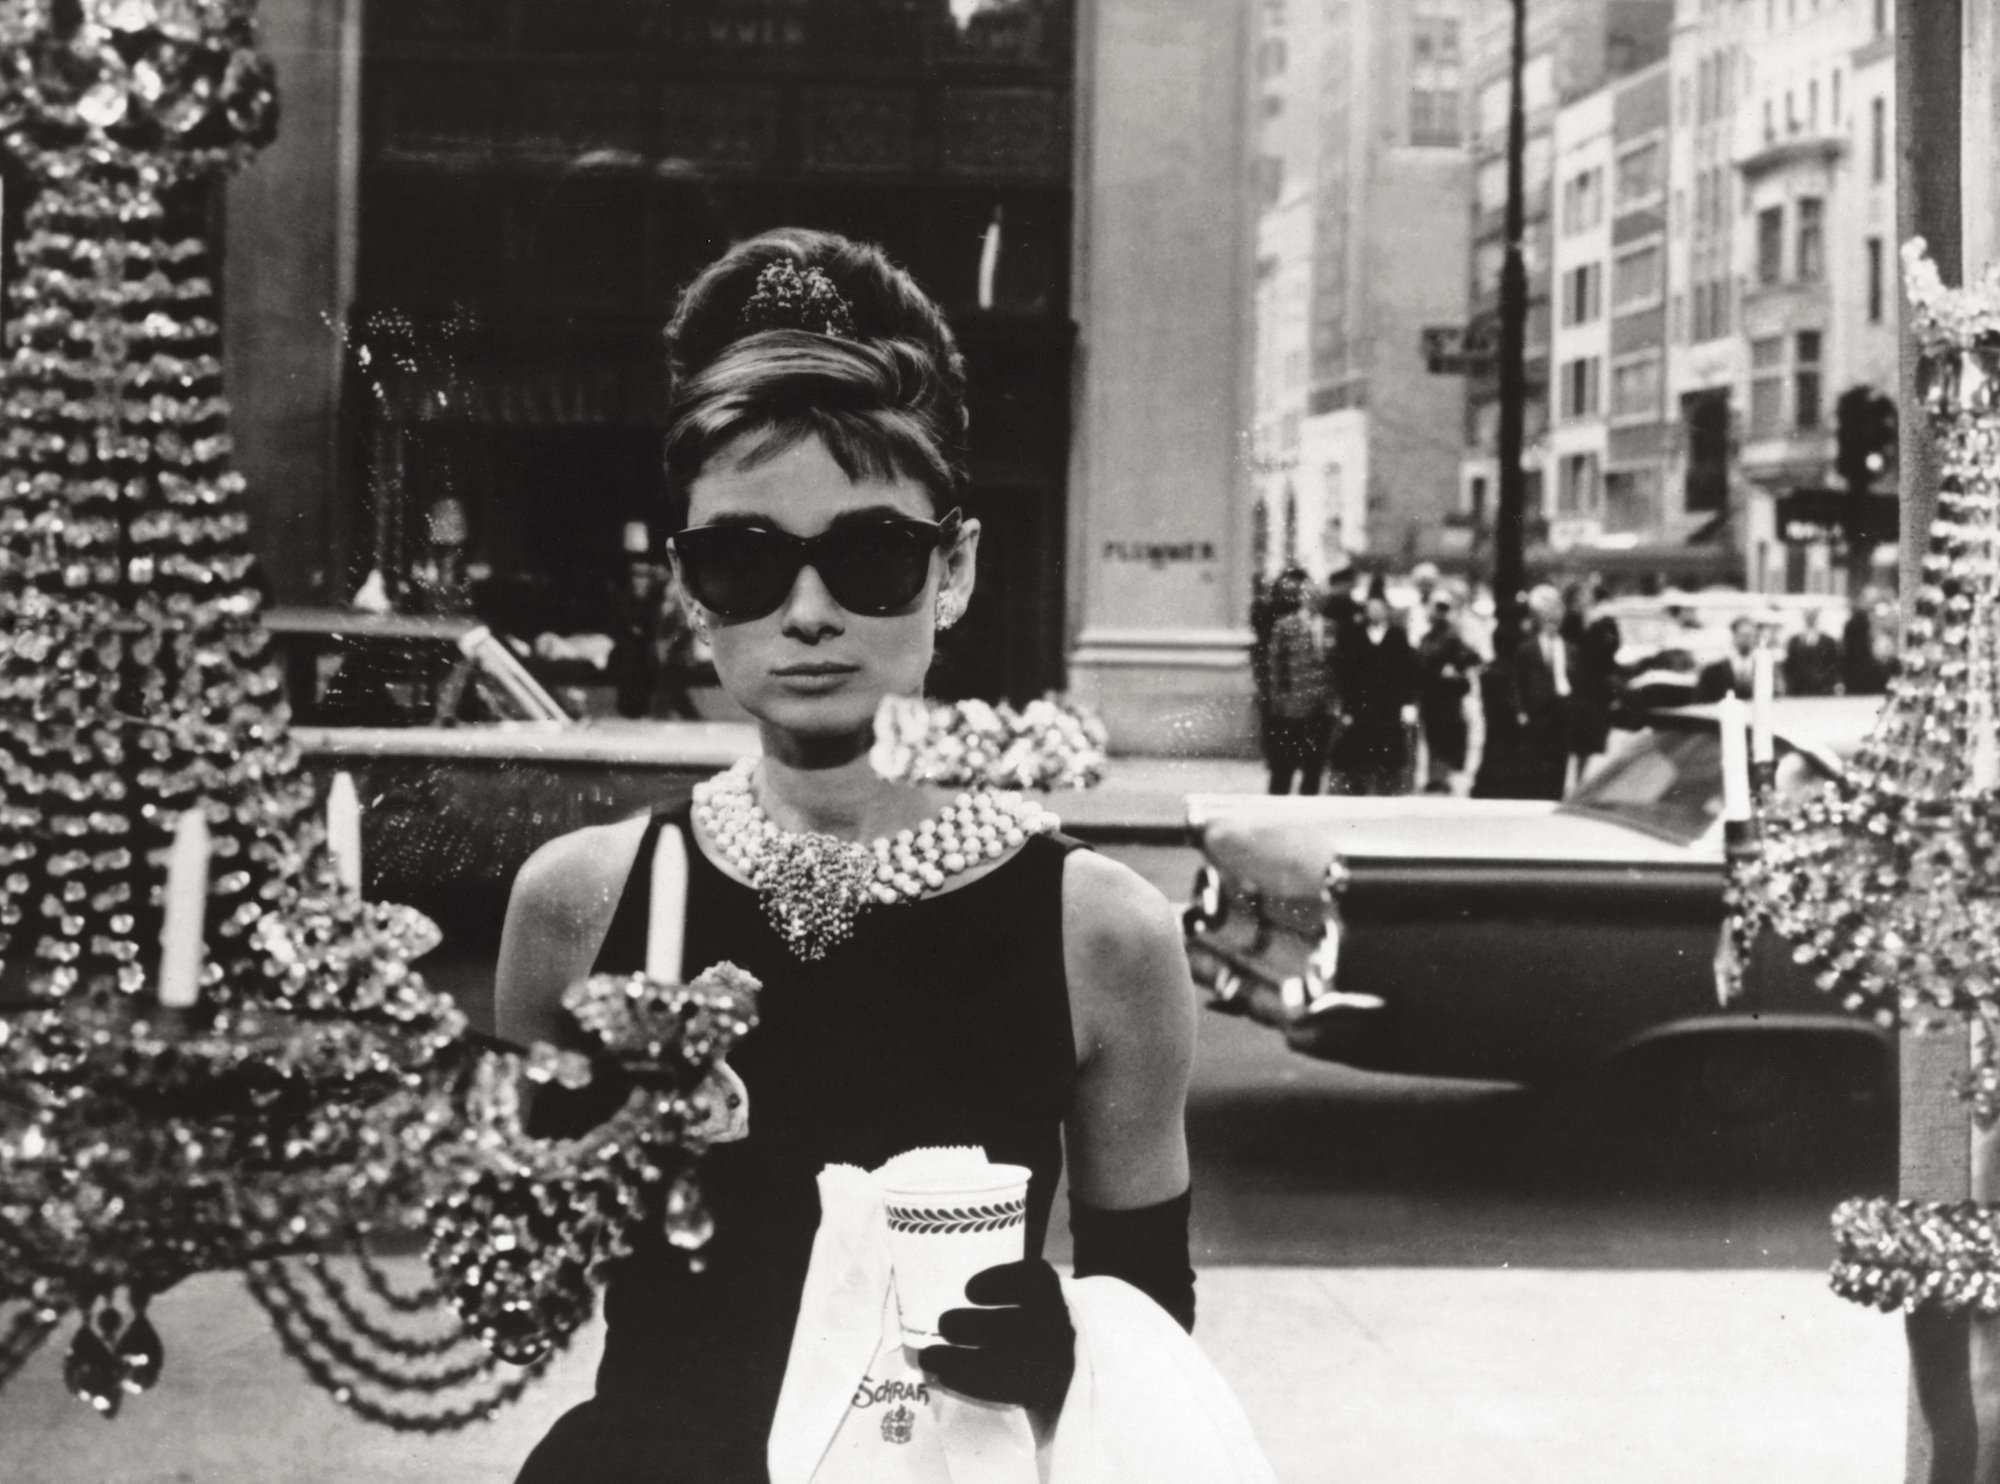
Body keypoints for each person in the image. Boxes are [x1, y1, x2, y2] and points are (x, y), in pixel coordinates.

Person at [499, 229, 1197, 1483]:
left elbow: (1152, 1326)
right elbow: (515, 1283)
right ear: (688, 590)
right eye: (745, 558)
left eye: (870, 552)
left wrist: (1069, 1345)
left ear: (956, 566)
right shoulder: (577, 897)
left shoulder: (1101, 930)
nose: (807, 610)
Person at [1256, 567, 1336, 795]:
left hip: (1321, 705)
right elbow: (1275, 664)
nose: (1314, 600)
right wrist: (1278, 698)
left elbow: (1334, 666)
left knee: (1314, 765)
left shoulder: (1330, 626)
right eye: (1309, 595)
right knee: (1284, 764)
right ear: (1301, 598)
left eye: (1318, 596)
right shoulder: (1285, 625)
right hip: (1292, 705)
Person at [1331, 592, 1418, 795]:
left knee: (1389, 754)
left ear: (1387, 611)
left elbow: (1408, 672)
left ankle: (1387, 790)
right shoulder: (1355, 635)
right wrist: (1346, 707)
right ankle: (1359, 790)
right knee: (1359, 753)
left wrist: (1408, 703)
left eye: (1380, 608)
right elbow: (1346, 673)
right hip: (1361, 704)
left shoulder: (1398, 636)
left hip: (1389, 704)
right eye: (1371, 608)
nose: (1375, 612)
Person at [1498, 584, 1577, 801]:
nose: (1553, 623)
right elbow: (1518, 681)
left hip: (1563, 706)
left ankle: (1556, 795)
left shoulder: (1569, 648)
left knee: (1561, 757)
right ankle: (1538, 795)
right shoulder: (1528, 648)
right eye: (1548, 619)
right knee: (1538, 756)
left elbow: (1575, 678)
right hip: (1539, 708)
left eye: (1556, 619)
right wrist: (1521, 710)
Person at [1415, 591, 1480, 793]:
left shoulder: (1452, 636)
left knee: (1444, 736)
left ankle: (1441, 777)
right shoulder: (1426, 637)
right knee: (1432, 735)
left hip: (1447, 697)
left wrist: (1454, 668)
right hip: (1429, 695)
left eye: (1442, 609)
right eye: (1436, 608)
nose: (1438, 613)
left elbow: (1473, 657)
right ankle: (1434, 776)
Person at [1569, 583, 1622, 776]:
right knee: (1581, 742)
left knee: (1589, 743)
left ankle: (1581, 777)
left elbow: (1609, 651)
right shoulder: (1573, 621)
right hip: (1580, 689)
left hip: (1594, 690)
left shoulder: (1603, 622)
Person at [1697, 616, 1763, 702]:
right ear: (1733, 636)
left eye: (1750, 635)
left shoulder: (1764, 669)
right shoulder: (1713, 670)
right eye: (1743, 635)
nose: (1746, 639)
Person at [1784, 607, 1842, 696]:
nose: (1811, 618)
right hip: (1799, 690)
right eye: (1808, 615)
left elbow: (1833, 665)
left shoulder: (1828, 641)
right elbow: (1789, 666)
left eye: (1813, 616)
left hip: (1823, 690)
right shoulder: (1795, 641)